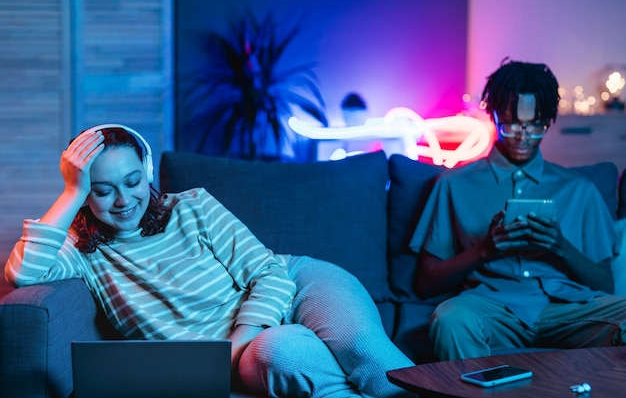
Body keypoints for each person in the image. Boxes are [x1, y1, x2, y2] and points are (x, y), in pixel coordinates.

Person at [4, 124, 414, 398]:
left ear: (146, 173)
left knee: (367, 353)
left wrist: (229, 349)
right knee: (288, 355)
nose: (124, 200)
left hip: (296, 284)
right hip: (249, 349)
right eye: (102, 190)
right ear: (85, 194)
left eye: (132, 182)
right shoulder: (82, 250)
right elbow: (22, 273)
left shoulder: (192, 206)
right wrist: (71, 191)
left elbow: (269, 271)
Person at [410, 59, 626, 361]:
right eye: (512, 122)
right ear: (494, 115)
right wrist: (484, 250)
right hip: (491, 308)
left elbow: (605, 284)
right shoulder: (453, 186)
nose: (524, 134)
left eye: (535, 124)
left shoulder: (579, 190)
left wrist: (559, 247)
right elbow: (425, 283)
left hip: (566, 310)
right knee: (451, 319)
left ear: (547, 121)